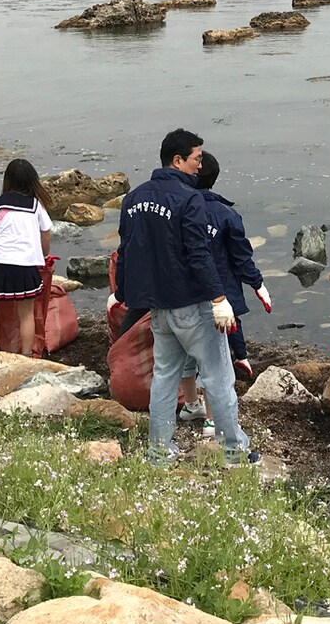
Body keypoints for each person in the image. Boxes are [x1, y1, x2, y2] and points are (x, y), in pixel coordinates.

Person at [110, 128, 254, 466]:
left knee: (165, 375)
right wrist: (219, 299)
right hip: (193, 304)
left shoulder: (134, 199)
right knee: (218, 377)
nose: (199, 168)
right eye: (196, 160)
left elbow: (128, 249)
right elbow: (198, 253)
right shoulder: (188, 199)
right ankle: (234, 450)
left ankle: (159, 451)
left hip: (158, 307)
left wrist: (124, 292)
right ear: (178, 160)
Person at [197, 151, 272, 378]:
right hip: (223, 283)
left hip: (191, 285)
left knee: (199, 328)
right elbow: (241, 256)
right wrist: (257, 284)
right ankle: (241, 357)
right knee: (230, 321)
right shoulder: (227, 214)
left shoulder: (180, 207)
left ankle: (228, 362)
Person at [0, 159, 53, 356]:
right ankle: (26, 355)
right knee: (26, 314)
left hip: (1, 264)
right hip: (26, 267)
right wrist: (45, 255)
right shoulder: (35, 206)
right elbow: (47, 232)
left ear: (7, 179)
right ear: (31, 181)